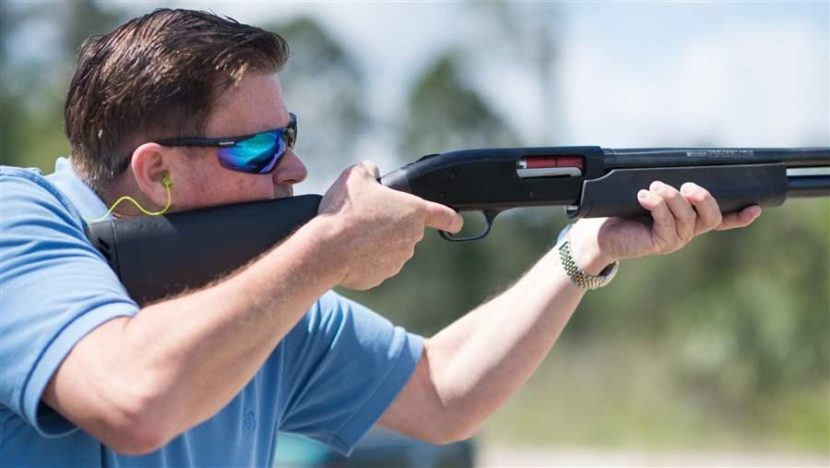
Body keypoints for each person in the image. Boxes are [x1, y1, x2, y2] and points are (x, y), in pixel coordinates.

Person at [0, 9, 761, 467]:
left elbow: (442, 393)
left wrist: (585, 249)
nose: (295, 168)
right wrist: (328, 249)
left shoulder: (261, 291)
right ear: (156, 170)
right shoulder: (17, 218)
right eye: (258, 150)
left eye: (289, 136)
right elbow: (132, 398)